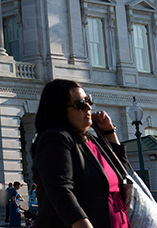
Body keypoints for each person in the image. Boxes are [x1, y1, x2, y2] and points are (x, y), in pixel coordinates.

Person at [31, 79, 129, 228]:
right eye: (81, 104)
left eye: (88, 101)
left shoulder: (89, 139)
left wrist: (109, 132)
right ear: (60, 109)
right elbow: (61, 192)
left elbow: (121, 171)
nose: (88, 107)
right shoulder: (55, 139)